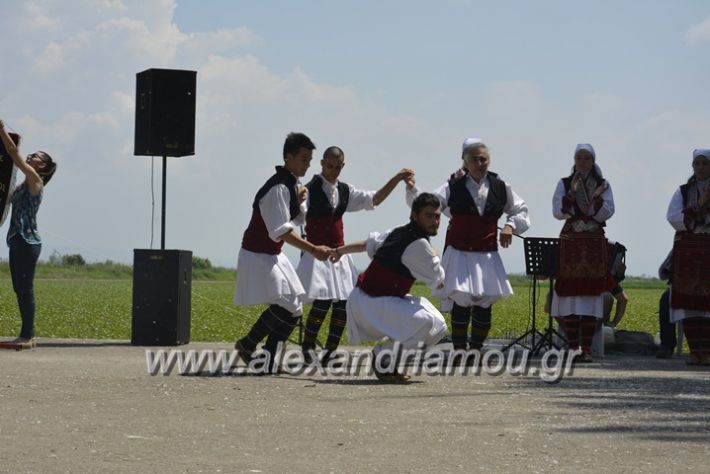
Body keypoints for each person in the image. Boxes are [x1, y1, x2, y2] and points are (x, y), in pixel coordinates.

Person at [405, 138, 529, 352]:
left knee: (484, 304)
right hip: (460, 252)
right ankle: (460, 351)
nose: (479, 163)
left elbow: (520, 209)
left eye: (484, 159)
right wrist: (413, 191)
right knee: (461, 302)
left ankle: (475, 350)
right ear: (465, 161)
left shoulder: (500, 186)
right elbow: (430, 204)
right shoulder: (453, 185)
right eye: (475, 159)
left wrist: (510, 226)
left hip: (487, 253)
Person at [296, 145, 414, 362]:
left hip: (339, 253)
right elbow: (296, 215)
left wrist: (396, 179)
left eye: (337, 167)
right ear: (321, 164)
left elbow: (374, 199)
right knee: (321, 304)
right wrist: (297, 200)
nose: (332, 170)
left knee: (343, 305)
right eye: (329, 166)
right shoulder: (309, 189)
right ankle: (308, 347)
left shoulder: (344, 191)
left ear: (342, 166)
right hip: (317, 254)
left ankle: (330, 352)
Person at [233, 132, 332, 372]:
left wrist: (300, 202)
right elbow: (281, 232)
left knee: (295, 305)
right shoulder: (278, 187)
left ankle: (268, 361)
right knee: (288, 303)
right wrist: (313, 249)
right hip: (258, 253)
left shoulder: (291, 184)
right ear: (288, 157)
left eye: (309, 159)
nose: (307, 164)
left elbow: (295, 220)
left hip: (272, 253)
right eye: (303, 159)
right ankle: (247, 344)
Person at [334, 193, 448, 382]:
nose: (434, 221)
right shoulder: (420, 245)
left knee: (438, 324)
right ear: (414, 215)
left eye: (437, 216)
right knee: (425, 322)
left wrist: (338, 251)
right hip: (371, 302)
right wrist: (435, 252)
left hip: (378, 298)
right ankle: (383, 357)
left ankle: (390, 360)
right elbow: (438, 280)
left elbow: (367, 244)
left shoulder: (399, 231)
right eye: (428, 216)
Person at [551, 143, 615, 362]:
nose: (583, 162)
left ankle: (585, 349)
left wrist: (592, 208)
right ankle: (572, 348)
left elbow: (609, 209)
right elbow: (558, 211)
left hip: (593, 240)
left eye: (587, 158)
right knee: (570, 297)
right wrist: (573, 194)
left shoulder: (602, 185)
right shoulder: (565, 183)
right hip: (571, 241)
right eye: (579, 158)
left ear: (593, 161)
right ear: (574, 160)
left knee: (589, 296)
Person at [0, 119, 57, 349]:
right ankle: (26, 333)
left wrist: (1, 129)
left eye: (36, 156)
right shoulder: (23, 185)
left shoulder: (35, 181)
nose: (31, 156)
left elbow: (13, 152)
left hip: (27, 241)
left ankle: (28, 334)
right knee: (19, 286)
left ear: (42, 166)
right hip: (17, 239)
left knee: (25, 286)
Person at [666, 148, 710, 365]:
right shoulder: (683, 191)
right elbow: (673, 217)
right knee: (690, 302)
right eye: (698, 163)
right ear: (693, 166)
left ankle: (707, 350)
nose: (701, 167)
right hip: (689, 252)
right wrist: (699, 206)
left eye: (705, 163)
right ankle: (695, 351)